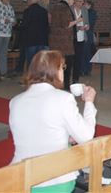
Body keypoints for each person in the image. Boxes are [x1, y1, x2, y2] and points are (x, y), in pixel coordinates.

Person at [9, 50, 97, 192]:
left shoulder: (15, 101)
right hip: (55, 180)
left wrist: (65, 137)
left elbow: (36, 130)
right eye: (62, 68)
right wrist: (89, 103)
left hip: (21, 178)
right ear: (55, 71)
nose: (63, 71)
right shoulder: (63, 98)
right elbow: (86, 137)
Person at [49, 0, 81, 90]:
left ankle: (54, 85)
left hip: (54, 41)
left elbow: (50, 21)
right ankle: (65, 86)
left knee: (55, 65)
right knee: (66, 65)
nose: (73, 1)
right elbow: (66, 24)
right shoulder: (65, 8)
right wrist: (77, 21)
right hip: (65, 44)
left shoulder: (54, 7)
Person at [22, 0, 49, 70]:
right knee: (41, 63)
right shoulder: (44, 11)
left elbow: (25, 25)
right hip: (42, 40)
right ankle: (40, 79)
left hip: (31, 40)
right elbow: (47, 25)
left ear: (30, 1)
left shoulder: (27, 11)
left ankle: (31, 79)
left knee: (31, 63)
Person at [72, 0, 89, 84]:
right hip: (72, 37)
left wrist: (86, 26)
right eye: (79, 1)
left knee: (78, 59)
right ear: (75, 0)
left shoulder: (84, 10)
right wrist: (78, 28)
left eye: (82, 2)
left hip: (82, 37)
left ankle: (76, 79)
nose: (81, 3)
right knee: (71, 59)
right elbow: (69, 24)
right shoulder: (71, 9)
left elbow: (87, 23)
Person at [83, 0, 97, 76]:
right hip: (85, 34)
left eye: (84, 4)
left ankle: (87, 70)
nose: (83, 5)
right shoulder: (85, 12)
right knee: (84, 53)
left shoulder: (92, 13)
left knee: (87, 53)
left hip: (88, 35)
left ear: (89, 5)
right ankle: (83, 69)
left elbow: (89, 24)